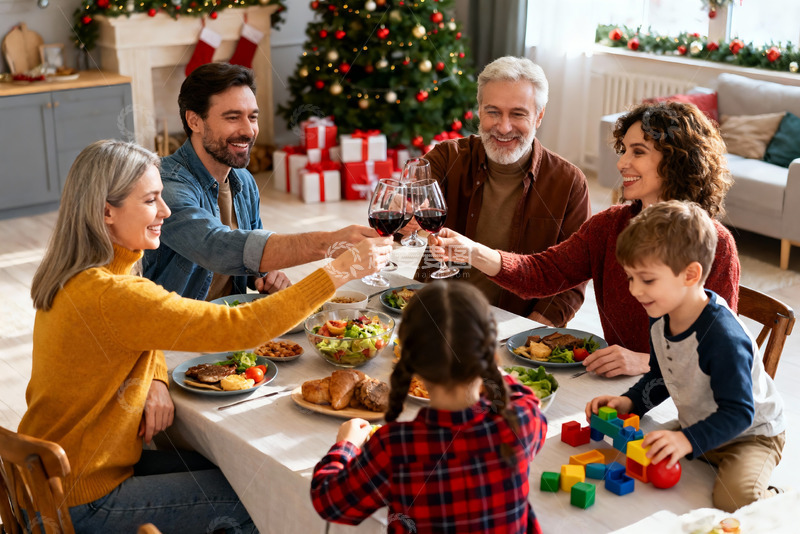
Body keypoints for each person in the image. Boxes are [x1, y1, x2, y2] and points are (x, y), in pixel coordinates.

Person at [20, 139, 392, 533]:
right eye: (150, 201)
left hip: (50, 482)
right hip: (82, 502)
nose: (165, 211)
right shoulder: (113, 293)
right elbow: (241, 326)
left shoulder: (89, 275)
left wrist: (157, 379)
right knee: (259, 494)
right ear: (106, 212)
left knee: (233, 466)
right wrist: (337, 273)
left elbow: (142, 331)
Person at [431, 101, 740, 377]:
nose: (621, 164)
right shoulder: (609, 226)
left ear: (675, 161)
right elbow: (541, 274)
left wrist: (646, 362)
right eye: (624, 151)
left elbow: (718, 355)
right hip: (622, 387)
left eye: (638, 152)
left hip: (686, 398)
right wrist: (471, 251)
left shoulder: (716, 244)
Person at [586, 200, 785, 512]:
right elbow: (661, 375)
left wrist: (686, 440)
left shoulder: (723, 338)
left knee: (735, 502)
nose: (635, 290)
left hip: (750, 435)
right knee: (631, 453)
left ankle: (775, 499)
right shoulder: (661, 312)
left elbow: (739, 412)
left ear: (691, 275)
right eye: (630, 278)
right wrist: (630, 402)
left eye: (647, 279)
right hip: (701, 421)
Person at [310, 282, 548, 533]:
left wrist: (345, 446)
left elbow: (330, 502)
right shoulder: (522, 418)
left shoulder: (395, 446)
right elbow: (521, 396)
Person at [143, 63, 377, 301]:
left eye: (252, 117)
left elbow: (246, 257)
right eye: (233, 117)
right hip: (178, 328)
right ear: (194, 121)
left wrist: (264, 276)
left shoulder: (243, 181)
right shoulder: (165, 185)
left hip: (230, 318)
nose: (249, 130)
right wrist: (331, 242)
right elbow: (216, 247)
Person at [410, 56, 591, 328]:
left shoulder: (569, 183)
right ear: (479, 110)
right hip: (435, 315)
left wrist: (521, 337)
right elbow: (405, 219)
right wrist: (408, 219)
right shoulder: (447, 158)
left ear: (539, 116)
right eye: (493, 111)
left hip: (511, 327)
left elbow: (570, 282)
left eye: (517, 114)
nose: (504, 127)